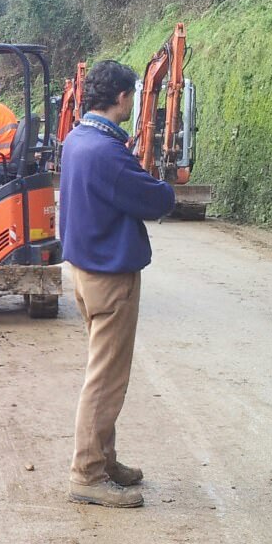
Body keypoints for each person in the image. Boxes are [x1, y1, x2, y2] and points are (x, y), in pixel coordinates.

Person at [58, 59, 175, 508]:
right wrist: (162, 185)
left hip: (87, 273)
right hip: (111, 276)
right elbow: (154, 199)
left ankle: (104, 460)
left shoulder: (77, 140)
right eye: (133, 97)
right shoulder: (107, 151)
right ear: (123, 97)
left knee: (103, 372)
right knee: (106, 378)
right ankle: (87, 473)